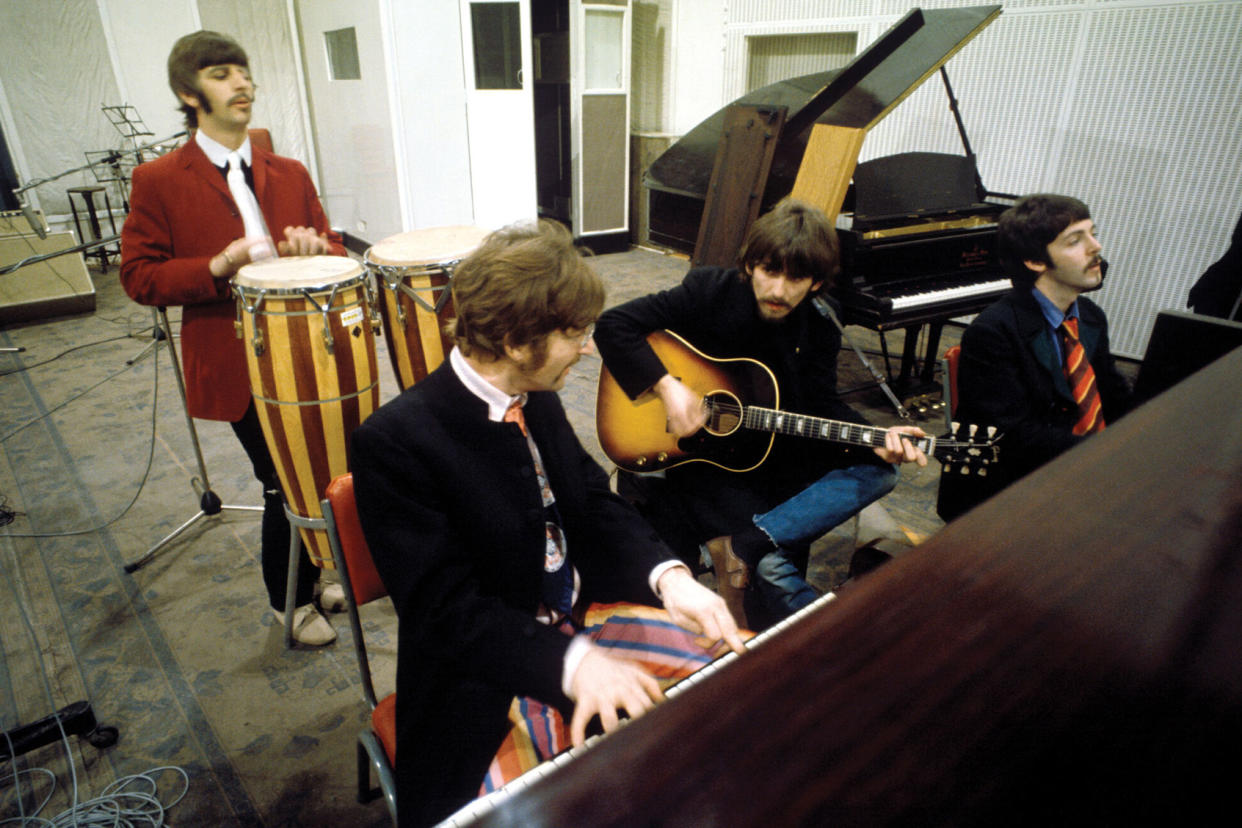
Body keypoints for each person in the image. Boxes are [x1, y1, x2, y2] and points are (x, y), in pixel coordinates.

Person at [350, 219, 745, 826]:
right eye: (575, 333)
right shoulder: (395, 442)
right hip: (487, 679)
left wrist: (672, 578)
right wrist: (574, 664)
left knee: (727, 710)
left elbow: (590, 500)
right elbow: (447, 614)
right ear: (513, 340)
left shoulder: (538, 391)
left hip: (587, 620)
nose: (589, 348)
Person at [594, 198, 928, 631]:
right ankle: (781, 576)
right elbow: (613, 325)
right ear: (750, 264)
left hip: (777, 449)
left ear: (816, 282)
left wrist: (876, 436)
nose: (779, 290)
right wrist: (668, 386)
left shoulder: (823, 321)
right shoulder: (708, 291)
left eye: (797, 278)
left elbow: (820, 401)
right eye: (770, 271)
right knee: (772, 561)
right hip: (708, 459)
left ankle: (754, 544)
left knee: (881, 470)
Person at [120, 31, 347, 645]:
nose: (241, 83)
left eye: (243, 71)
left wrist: (313, 249)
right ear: (187, 94)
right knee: (281, 478)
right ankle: (288, 602)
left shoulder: (289, 171)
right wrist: (216, 266)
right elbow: (138, 277)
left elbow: (331, 245)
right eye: (222, 74)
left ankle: (320, 571)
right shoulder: (159, 179)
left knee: (322, 470)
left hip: (307, 350)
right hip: (234, 358)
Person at [941, 194, 1133, 520]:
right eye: (1075, 241)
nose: (1096, 246)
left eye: (1092, 233)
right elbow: (1014, 435)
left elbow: (1113, 396)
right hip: (1013, 484)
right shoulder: (993, 331)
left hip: (1073, 462)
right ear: (1035, 261)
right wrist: (1107, 457)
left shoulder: (1090, 316)